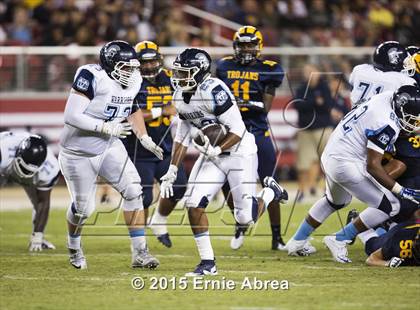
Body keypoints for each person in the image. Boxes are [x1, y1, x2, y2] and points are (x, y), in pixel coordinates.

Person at [160, 48, 288, 276]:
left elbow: (238, 130)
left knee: (245, 218)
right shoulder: (179, 96)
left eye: (184, 73)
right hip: (213, 155)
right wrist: (172, 168)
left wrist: (216, 148)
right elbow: (182, 135)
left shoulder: (215, 91)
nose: (178, 78)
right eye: (177, 73)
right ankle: (208, 263)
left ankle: (269, 193)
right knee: (193, 204)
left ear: (199, 72)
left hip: (239, 151)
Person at [59, 40, 163, 270]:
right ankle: (74, 245)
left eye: (132, 67)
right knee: (84, 209)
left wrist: (144, 137)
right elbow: (71, 116)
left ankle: (140, 253)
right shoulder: (91, 76)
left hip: (108, 145)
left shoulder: (134, 80)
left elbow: (132, 109)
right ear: (109, 64)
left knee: (135, 190)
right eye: (124, 67)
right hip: (78, 152)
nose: (130, 72)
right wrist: (104, 127)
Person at [286, 85, 420, 262]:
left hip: (332, 152)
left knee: (335, 201)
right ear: (400, 108)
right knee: (392, 205)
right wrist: (400, 190)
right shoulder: (386, 122)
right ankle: (339, 239)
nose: (414, 121)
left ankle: (297, 242)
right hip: (346, 163)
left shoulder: (386, 98)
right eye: (412, 118)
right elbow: (373, 166)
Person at [216, 25, 286, 251]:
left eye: (250, 45)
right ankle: (240, 222)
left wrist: (245, 104)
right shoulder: (224, 66)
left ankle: (277, 236)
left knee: (269, 181)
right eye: (242, 45)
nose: (246, 49)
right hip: (231, 134)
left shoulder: (270, 69)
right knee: (226, 183)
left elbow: (264, 108)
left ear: (258, 46)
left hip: (257, 132)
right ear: (236, 46)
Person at [123, 40, 187, 248]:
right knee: (143, 197)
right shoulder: (131, 82)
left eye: (153, 62)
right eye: (144, 62)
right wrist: (162, 110)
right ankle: (140, 244)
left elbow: (183, 103)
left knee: (178, 187)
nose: (149, 66)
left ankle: (159, 221)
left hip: (165, 147)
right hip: (139, 149)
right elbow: (131, 114)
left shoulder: (170, 79)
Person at [0, 131, 59, 251]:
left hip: (31, 179)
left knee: (38, 204)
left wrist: (38, 236)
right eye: (23, 168)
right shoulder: (3, 150)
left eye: (28, 170)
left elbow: (43, 202)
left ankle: (38, 238)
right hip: (5, 166)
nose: (24, 173)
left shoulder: (50, 168)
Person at [294, 64, 334, 203]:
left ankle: (328, 190)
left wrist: (309, 104)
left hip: (323, 129)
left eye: (311, 71)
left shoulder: (324, 87)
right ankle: (302, 191)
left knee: (328, 162)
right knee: (303, 164)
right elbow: (297, 105)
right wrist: (316, 102)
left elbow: (327, 105)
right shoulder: (301, 88)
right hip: (306, 130)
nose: (308, 74)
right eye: (306, 71)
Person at [349, 41, 416, 108]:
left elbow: (352, 88)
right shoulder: (404, 80)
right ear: (394, 61)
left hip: (352, 115)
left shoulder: (360, 69)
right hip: (381, 117)